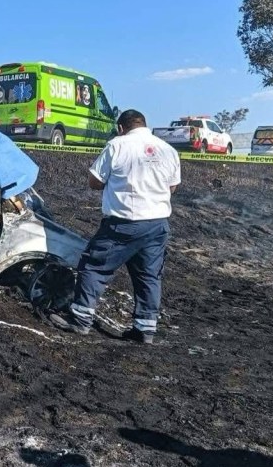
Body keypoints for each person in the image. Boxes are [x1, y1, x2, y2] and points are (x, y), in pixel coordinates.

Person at [50, 109, 181, 344]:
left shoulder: (117, 145)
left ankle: (80, 319)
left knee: (94, 266)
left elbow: (95, 182)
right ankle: (144, 329)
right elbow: (172, 187)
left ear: (121, 128)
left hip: (124, 222)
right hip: (158, 225)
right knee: (149, 276)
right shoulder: (167, 149)